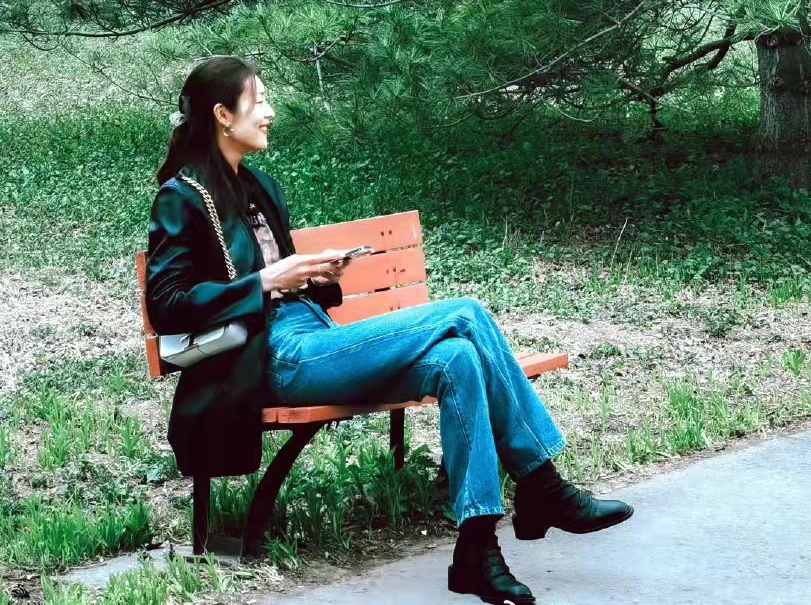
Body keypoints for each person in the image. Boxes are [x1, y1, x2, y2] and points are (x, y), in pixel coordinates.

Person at [146, 56, 632, 605]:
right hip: (271, 358)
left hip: (311, 334)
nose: (270, 112)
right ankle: (543, 485)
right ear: (222, 115)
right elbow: (167, 305)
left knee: (459, 362)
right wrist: (265, 281)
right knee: (465, 313)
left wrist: (319, 275)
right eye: (258, 101)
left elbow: (292, 287)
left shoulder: (259, 189)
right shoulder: (182, 198)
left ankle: (476, 551)